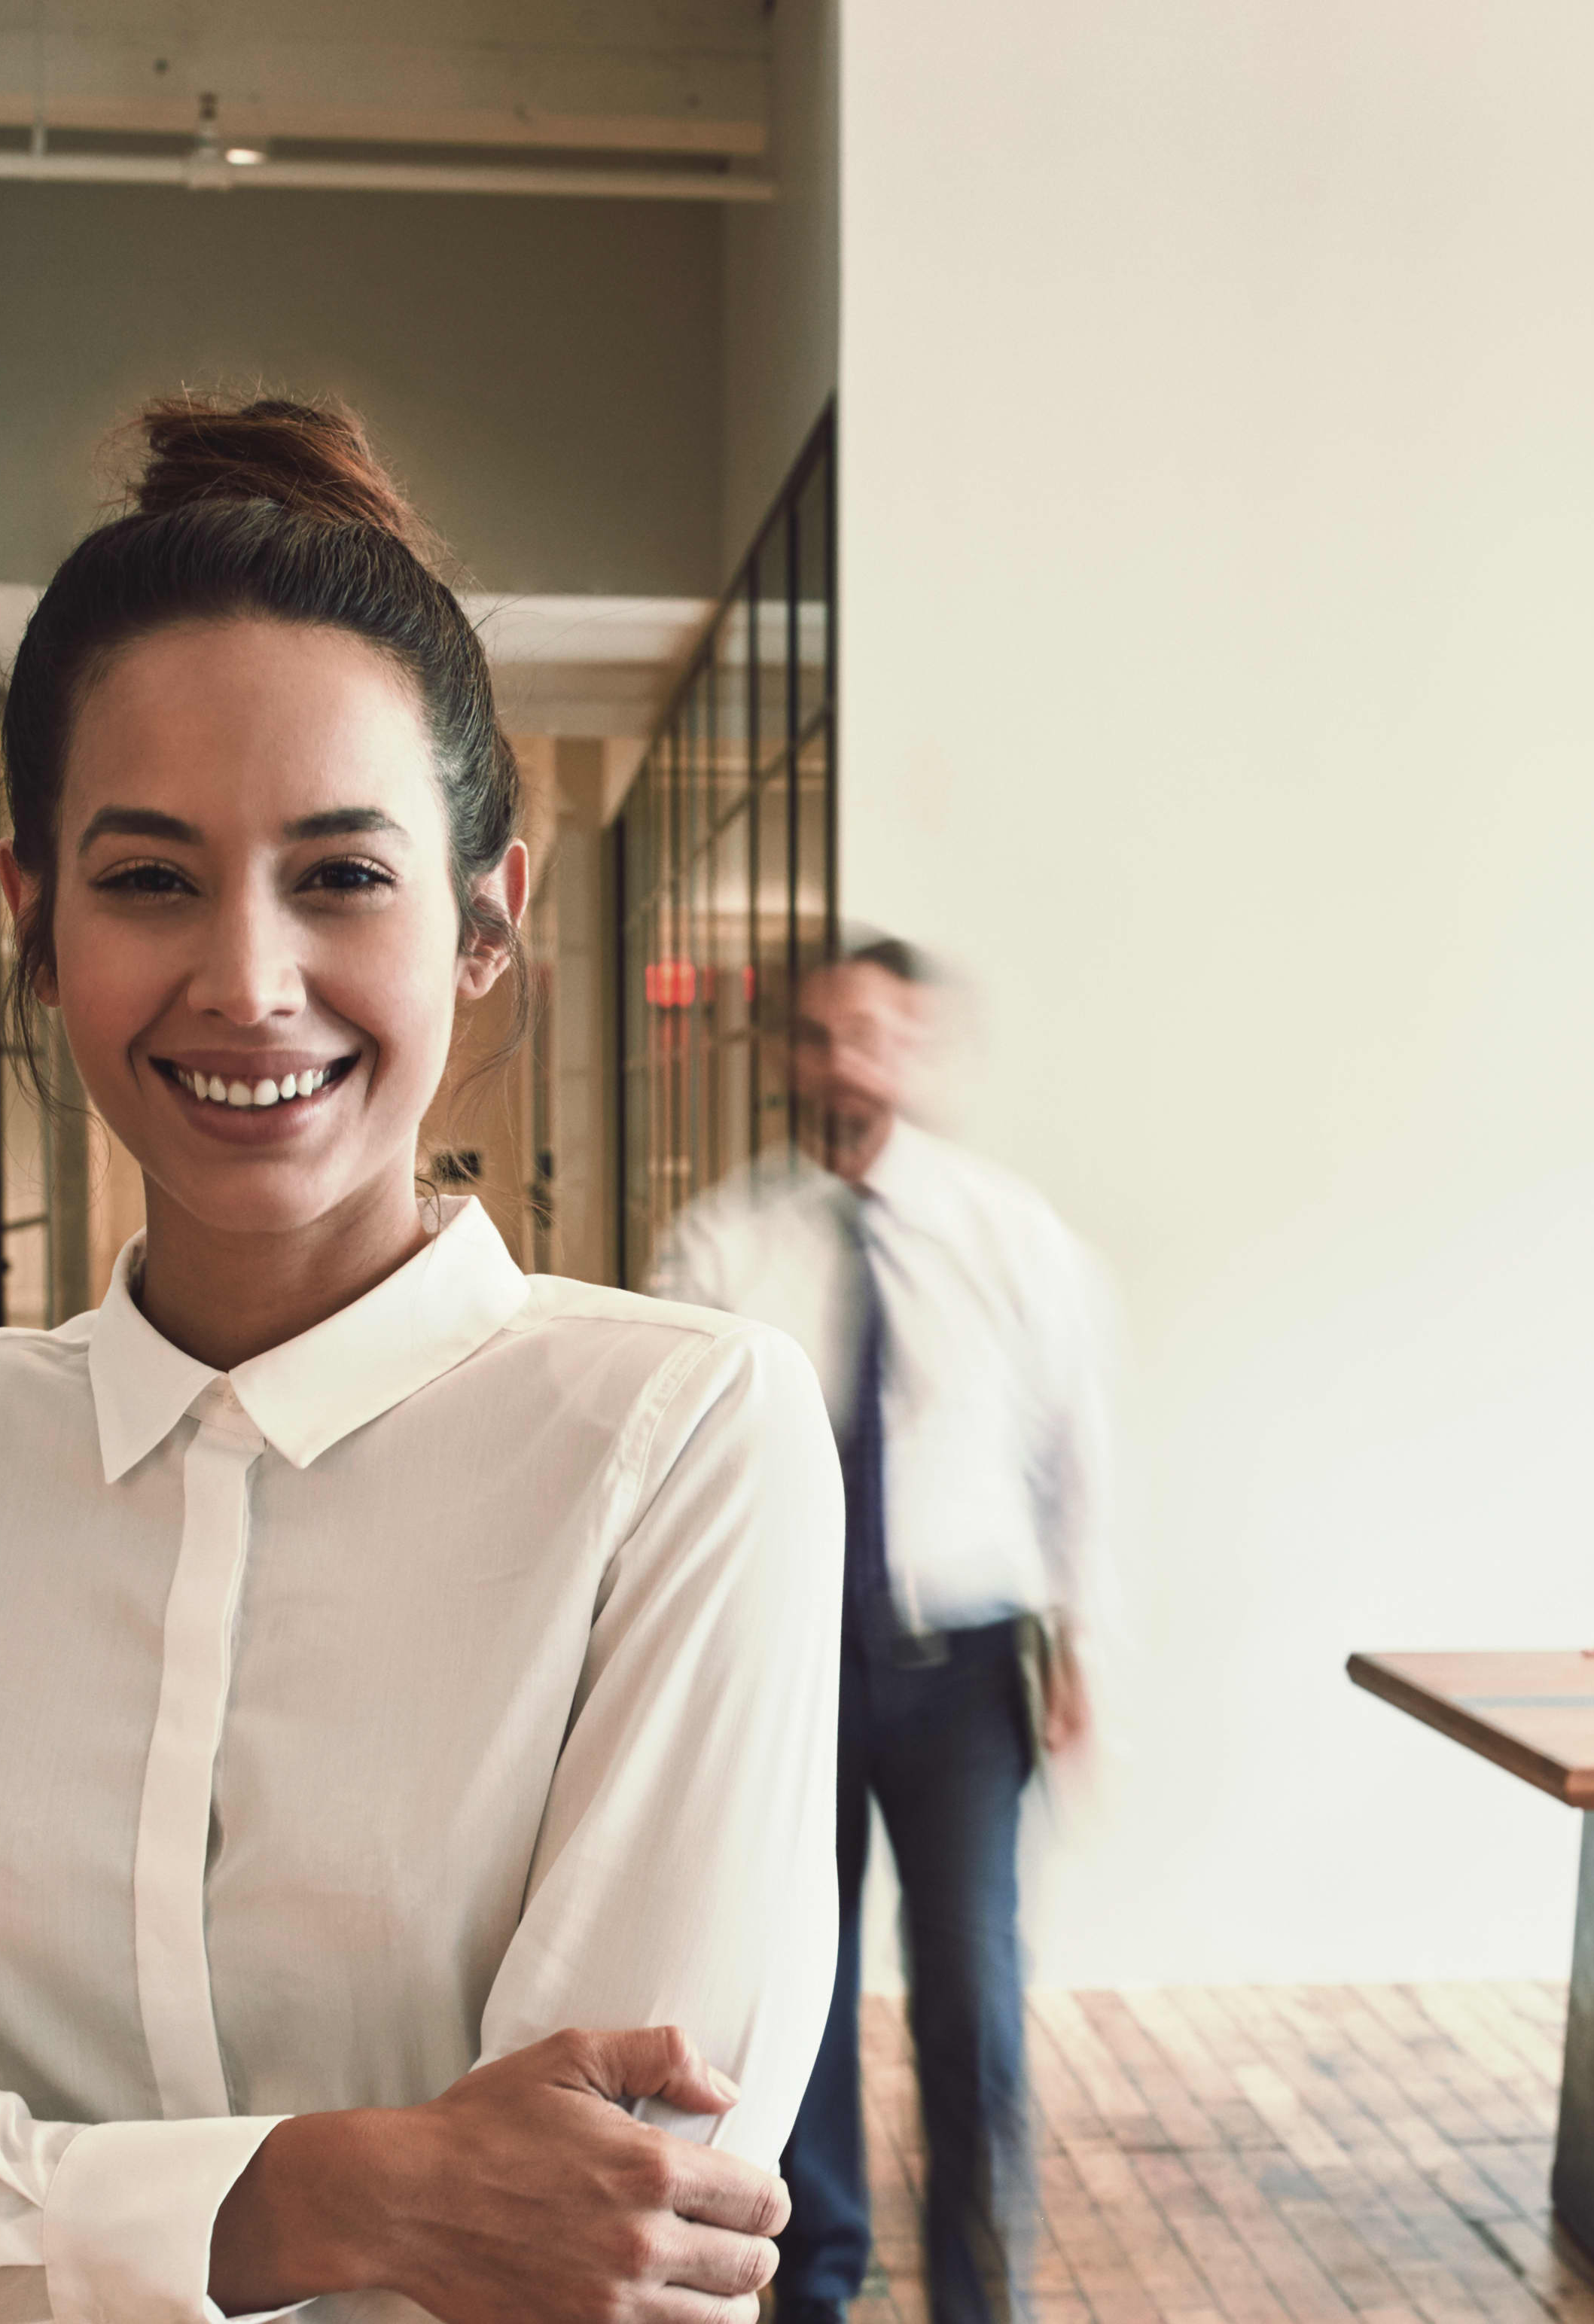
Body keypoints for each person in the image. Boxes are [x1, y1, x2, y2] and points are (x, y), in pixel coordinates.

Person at [0, 397, 846, 2324]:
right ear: (33, 919)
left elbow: (623, 2235)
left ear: (485, 926)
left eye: (343, 876)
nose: (248, 982)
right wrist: (310, 2201)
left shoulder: (681, 1438)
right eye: (148, 878)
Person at [645, 938, 1114, 2324]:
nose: (845, 1058)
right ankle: (816, 2288)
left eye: (874, 1032)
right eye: (818, 1032)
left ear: (919, 1054)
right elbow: (680, 1472)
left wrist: (1081, 1645)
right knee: (800, 1996)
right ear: (788, 1055)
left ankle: (980, 2300)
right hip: (789, 1673)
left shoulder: (1007, 1234)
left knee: (972, 1994)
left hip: (963, 1668)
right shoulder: (721, 1242)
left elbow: (1068, 1455)